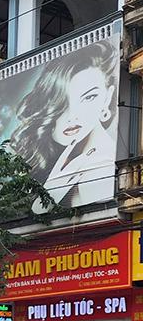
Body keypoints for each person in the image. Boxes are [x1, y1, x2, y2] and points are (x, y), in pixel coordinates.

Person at [7, 40, 118, 209]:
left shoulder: (101, 165)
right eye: (62, 103)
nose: (72, 116)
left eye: (88, 97)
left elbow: (40, 210)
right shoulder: (61, 157)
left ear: (108, 96)